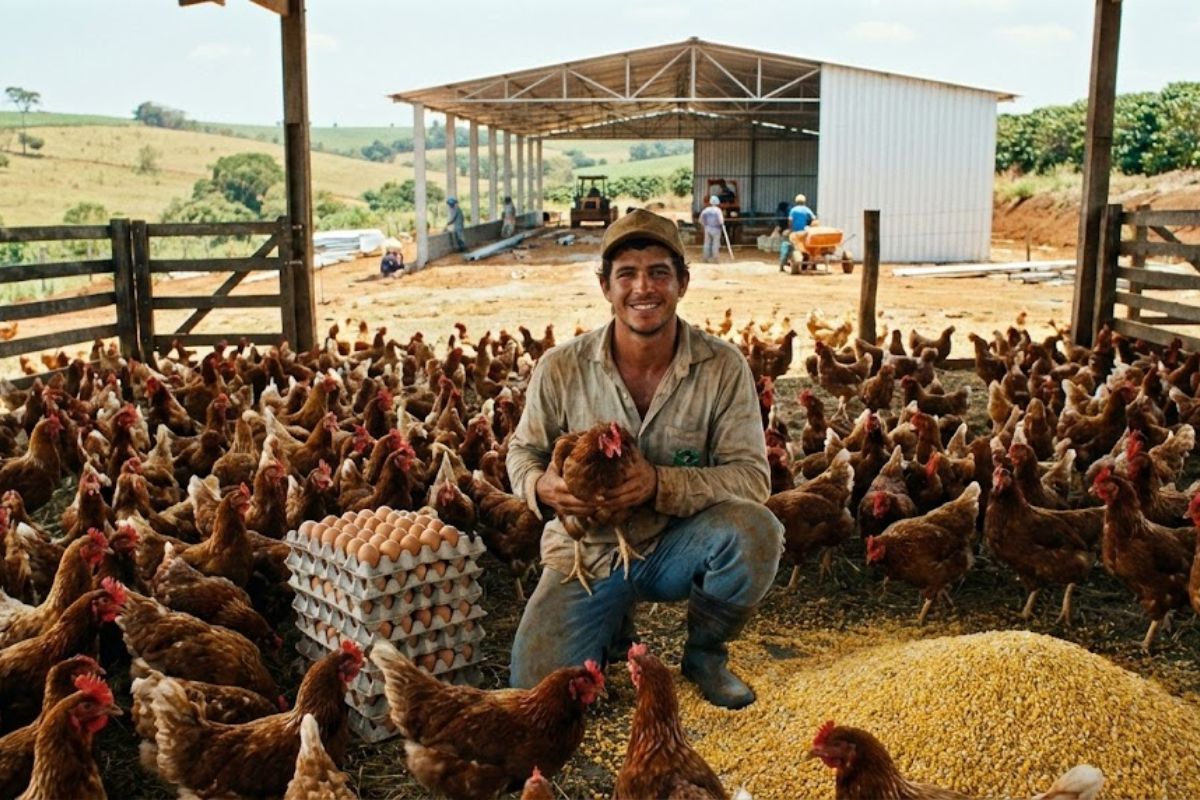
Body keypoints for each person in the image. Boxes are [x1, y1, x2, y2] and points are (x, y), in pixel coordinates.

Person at [506, 209, 784, 710]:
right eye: (626, 275)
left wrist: (660, 484)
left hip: (676, 544)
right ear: (605, 287)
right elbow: (523, 452)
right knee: (534, 691)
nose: (643, 288)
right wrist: (542, 487)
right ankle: (611, 625)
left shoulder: (722, 366)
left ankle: (705, 655)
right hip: (586, 552)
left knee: (755, 530)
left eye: (659, 272)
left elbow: (752, 477)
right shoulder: (561, 367)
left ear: (683, 283)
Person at [780, 193, 817, 271]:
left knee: (786, 245)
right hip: (804, 232)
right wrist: (810, 226)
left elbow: (790, 221)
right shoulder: (807, 209)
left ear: (796, 201)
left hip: (795, 233)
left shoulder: (793, 210)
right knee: (807, 247)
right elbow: (814, 218)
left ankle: (783, 264)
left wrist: (790, 229)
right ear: (804, 201)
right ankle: (812, 265)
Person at [698, 195, 725, 264]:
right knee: (715, 244)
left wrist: (705, 225)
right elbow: (721, 221)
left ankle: (705, 259)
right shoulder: (718, 210)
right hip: (716, 229)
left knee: (707, 244)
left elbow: (700, 220)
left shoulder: (706, 210)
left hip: (707, 228)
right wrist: (721, 224)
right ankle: (715, 259)